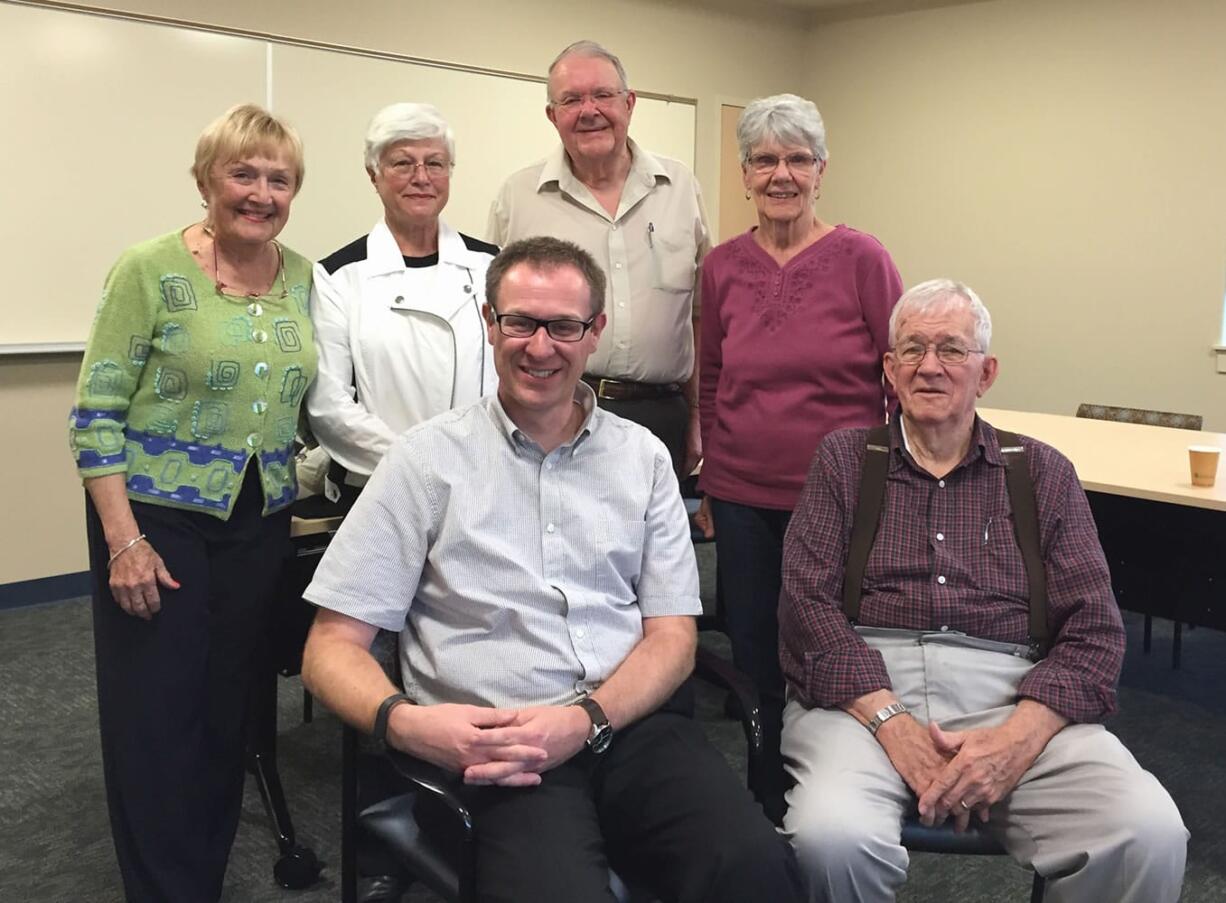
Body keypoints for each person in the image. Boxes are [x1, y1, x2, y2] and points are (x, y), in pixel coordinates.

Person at [300, 237, 804, 903]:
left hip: (631, 725)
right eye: (520, 322)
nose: (540, 347)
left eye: (563, 325)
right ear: (490, 323)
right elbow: (330, 647)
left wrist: (589, 717)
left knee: (758, 870)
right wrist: (406, 722)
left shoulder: (644, 458)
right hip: (502, 746)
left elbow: (673, 636)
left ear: (594, 332)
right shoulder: (423, 461)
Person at [778, 278, 1187, 902]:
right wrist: (893, 723)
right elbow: (806, 607)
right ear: (889, 369)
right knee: (832, 838)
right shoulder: (844, 460)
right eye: (912, 349)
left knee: (1148, 833)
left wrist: (1016, 740)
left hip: (1011, 691)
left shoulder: (1042, 471)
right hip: (863, 695)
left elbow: (1095, 632)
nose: (930, 367)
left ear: (986, 371)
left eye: (952, 349)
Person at [68, 104, 316, 902]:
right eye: (243, 173)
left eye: (278, 178)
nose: (260, 192)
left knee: (228, 711)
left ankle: (198, 877)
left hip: (260, 520)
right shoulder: (149, 269)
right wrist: (122, 541)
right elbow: (96, 411)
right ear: (207, 180)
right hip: (153, 520)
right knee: (156, 720)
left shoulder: (303, 275)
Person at [694, 93, 901, 821]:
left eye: (797, 158)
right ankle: (762, 787)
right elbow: (712, 377)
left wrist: (897, 480)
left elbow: (898, 372)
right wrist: (712, 478)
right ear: (745, 173)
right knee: (752, 644)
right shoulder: (721, 267)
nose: (781, 174)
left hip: (841, 492)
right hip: (743, 489)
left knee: (827, 638)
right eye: (765, 159)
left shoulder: (862, 257)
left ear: (821, 170)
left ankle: (836, 786)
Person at [488, 40, 710, 478]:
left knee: (653, 542)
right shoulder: (518, 197)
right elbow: (497, 323)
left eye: (603, 95)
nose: (589, 110)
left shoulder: (680, 188)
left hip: (663, 413)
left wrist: (698, 415)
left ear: (629, 103)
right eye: (571, 99)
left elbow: (699, 315)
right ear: (553, 116)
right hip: (551, 411)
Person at [306, 102, 498, 509]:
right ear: (373, 175)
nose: (421, 178)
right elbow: (329, 406)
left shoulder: (491, 265)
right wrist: (421, 463)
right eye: (402, 164)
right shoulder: (339, 276)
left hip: (485, 483)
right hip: (378, 488)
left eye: (435, 163)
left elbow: (511, 377)